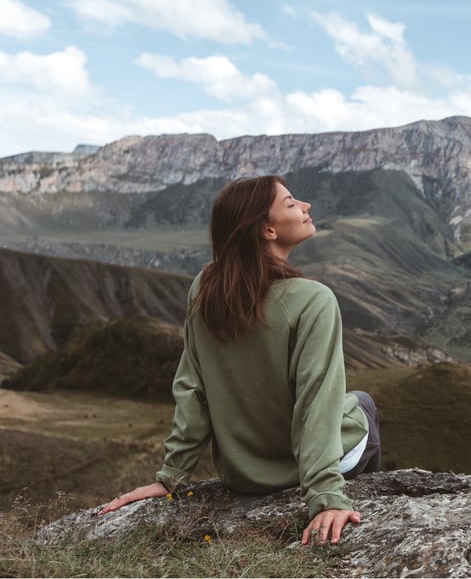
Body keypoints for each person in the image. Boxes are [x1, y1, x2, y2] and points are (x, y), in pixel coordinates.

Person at [99, 175, 380, 546]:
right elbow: (317, 401)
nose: (306, 206)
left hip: (242, 476)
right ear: (267, 229)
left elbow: (192, 387)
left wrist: (172, 476)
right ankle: (361, 494)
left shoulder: (206, 288)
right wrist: (326, 497)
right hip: (305, 472)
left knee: (355, 400)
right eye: (292, 202)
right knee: (364, 406)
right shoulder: (315, 300)